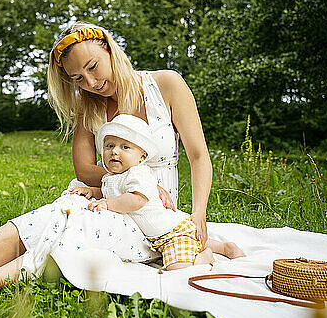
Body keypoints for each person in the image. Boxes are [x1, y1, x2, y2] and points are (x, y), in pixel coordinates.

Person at [0, 22, 244, 306]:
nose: (91, 81)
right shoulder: (88, 104)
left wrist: (197, 214)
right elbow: (84, 169)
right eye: (77, 78)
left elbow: (198, 155)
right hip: (108, 192)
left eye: (93, 67)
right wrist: (126, 179)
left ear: (109, 49)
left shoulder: (166, 85)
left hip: (152, 208)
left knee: (74, 224)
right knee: (58, 212)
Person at [71, 114, 244, 270]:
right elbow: (108, 192)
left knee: (178, 268)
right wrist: (91, 192)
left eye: (125, 147)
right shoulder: (111, 177)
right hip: (160, 237)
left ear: (142, 157)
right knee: (189, 242)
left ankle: (206, 256)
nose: (115, 151)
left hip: (172, 232)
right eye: (109, 145)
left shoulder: (139, 173)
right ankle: (223, 247)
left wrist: (107, 204)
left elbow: (135, 200)